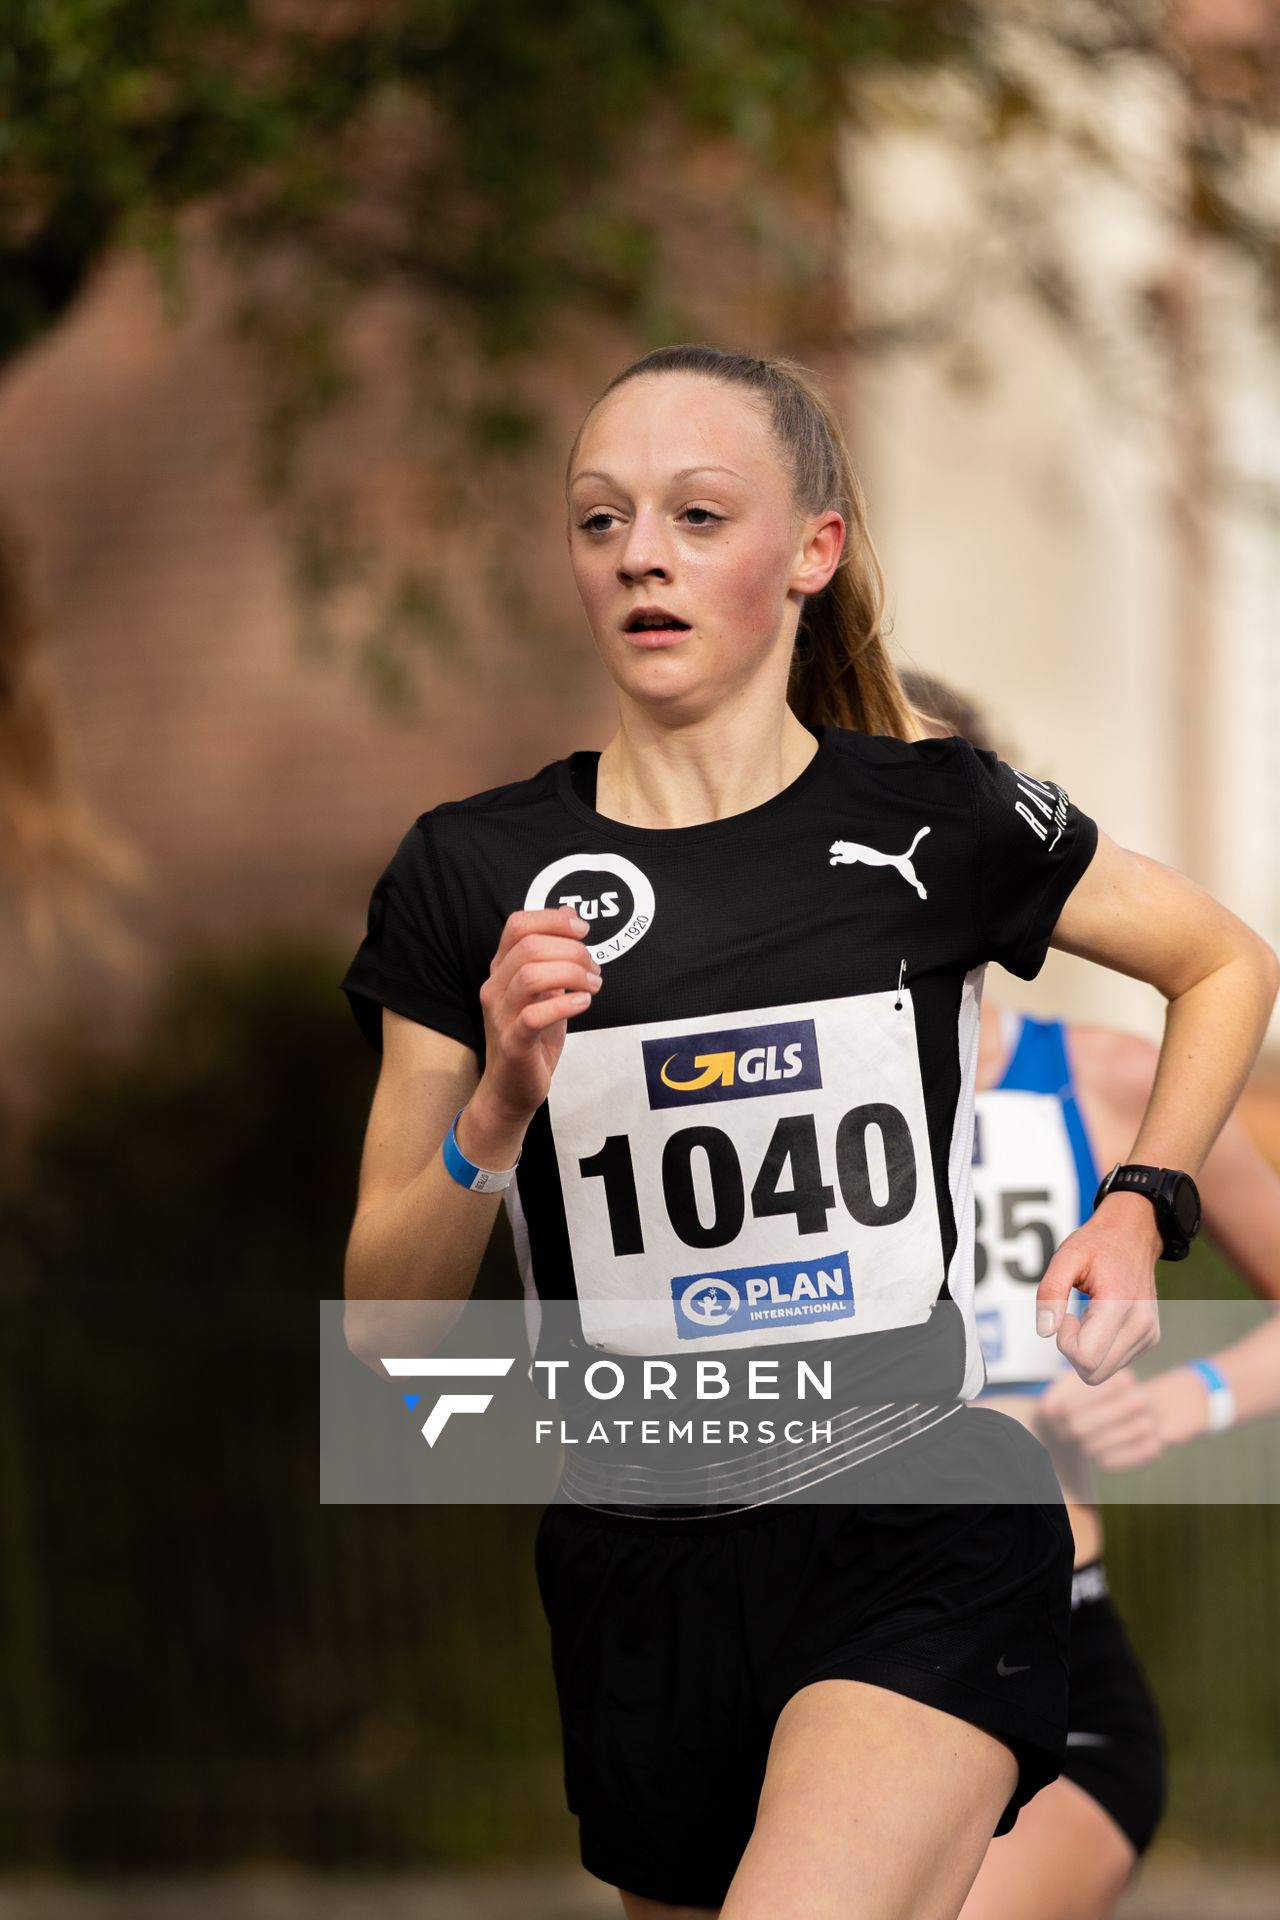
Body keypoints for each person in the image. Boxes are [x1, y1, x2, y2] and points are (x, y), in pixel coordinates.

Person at [338, 345, 1279, 1920]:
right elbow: (383, 1328)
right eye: (599, 520)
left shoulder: (937, 818)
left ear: (812, 552)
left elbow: (1223, 959)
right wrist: (500, 1099)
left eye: (699, 515)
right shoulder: (466, 873)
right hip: (635, 1561)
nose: (641, 552)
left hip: (918, 1509)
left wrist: (1142, 1202)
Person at [904, 670, 1280, 1920]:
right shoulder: (756, 1116)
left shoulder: (1113, 1084)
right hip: (807, 1644)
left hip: (1046, 1654)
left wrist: (1186, 1406)